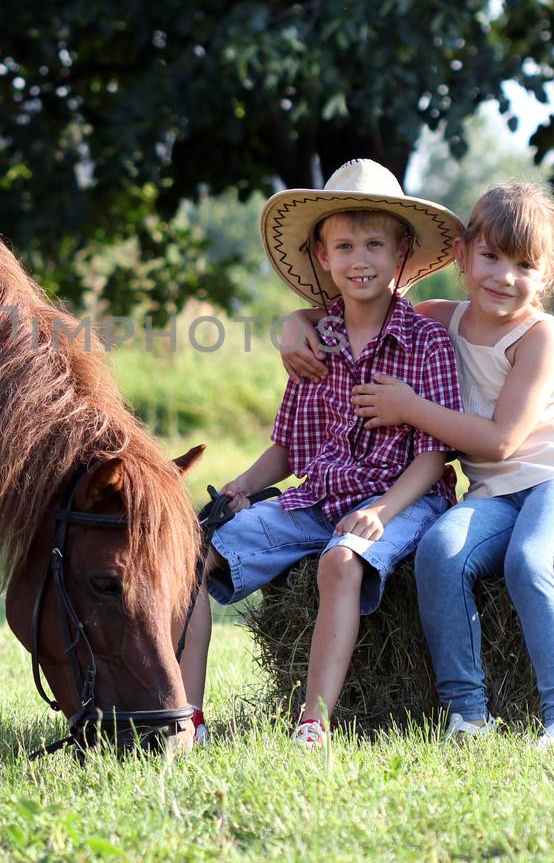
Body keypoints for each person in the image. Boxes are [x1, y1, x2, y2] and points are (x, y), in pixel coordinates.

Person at [279, 182, 554, 748]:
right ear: (462, 257)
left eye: (523, 265)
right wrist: (290, 323)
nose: (504, 277)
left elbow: (501, 443)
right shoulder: (442, 318)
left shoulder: (541, 336)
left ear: (545, 275)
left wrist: (412, 408)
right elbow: (352, 308)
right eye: (490, 257)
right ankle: (468, 714)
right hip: (495, 497)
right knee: (438, 552)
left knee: (531, 562)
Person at [182, 159, 464, 751]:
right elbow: (289, 449)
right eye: (344, 246)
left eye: (373, 244)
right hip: (319, 498)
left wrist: (381, 511)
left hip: (403, 497)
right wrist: (237, 487)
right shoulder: (315, 341)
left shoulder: (426, 341)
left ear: (401, 251)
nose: (359, 259)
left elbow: (435, 459)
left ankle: (314, 722)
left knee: (340, 563)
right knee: (191, 555)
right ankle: (189, 719)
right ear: (322, 255)